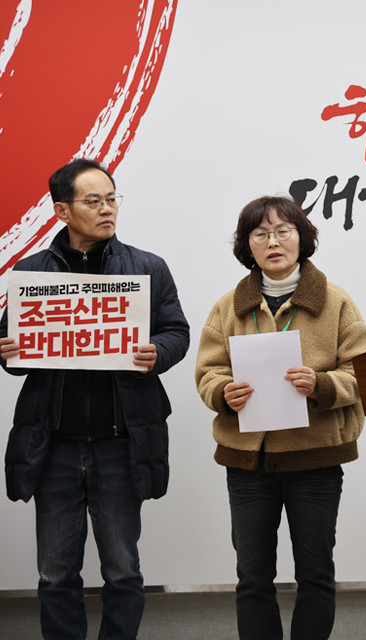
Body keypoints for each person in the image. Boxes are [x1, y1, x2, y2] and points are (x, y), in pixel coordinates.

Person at [0, 158, 190, 640]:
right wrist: (9, 349)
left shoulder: (147, 267)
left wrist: (158, 352)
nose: (107, 209)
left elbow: (177, 332)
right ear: (62, 210)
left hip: (121, 443)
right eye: (93, 201)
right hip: (54, 445)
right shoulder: (32, 272)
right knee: (55, 573)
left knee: (123, 569)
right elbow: (13, 350)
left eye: (111, 199)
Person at [195, 196, 366, 640]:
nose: (272, 242)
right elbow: (208, 371)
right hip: (248, 463)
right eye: (260, 234)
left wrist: (322, 385)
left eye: (282, 231)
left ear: (302, 238)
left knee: (316, 572)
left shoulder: (335, 301)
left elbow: (363, 373)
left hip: (315, 459)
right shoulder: (228, 306)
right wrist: (223, 392)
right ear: (246, 245)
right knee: (252, 575)